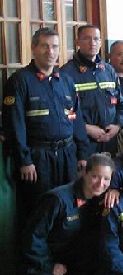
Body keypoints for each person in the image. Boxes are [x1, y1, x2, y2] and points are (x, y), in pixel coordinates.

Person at [2, 28, 90, 225]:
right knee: (38, 211)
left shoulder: (66, 81)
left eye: (55, 47)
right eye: (45, 46)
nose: (50, 52)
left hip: (67, 155)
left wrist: (83, 155)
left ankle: (64, 253)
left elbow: (76, 119)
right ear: (34, 48)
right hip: (37, 159)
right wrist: (24, 160)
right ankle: (37, 255)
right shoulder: (19, 81)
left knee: (69, 209)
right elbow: (15, 125)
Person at [16, 153, 114, 275]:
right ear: (84, 173)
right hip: (44, 263)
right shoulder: (58, 199)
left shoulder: (97, 201)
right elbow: (31, 237)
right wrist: (48, 265)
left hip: (70, 263)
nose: (101, 183)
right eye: (95, 176)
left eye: (106, 179)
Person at [61, 24, 123, 155]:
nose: (92, 43)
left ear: (101, 42)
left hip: (110, 141)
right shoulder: (66, 73)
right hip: (83, 143)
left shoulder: (108, 70)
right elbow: (63, 111)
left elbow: (120, 104)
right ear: (77, 42)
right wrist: (85, 128)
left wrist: (117, 126)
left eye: (96, 39)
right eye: (87, 39)